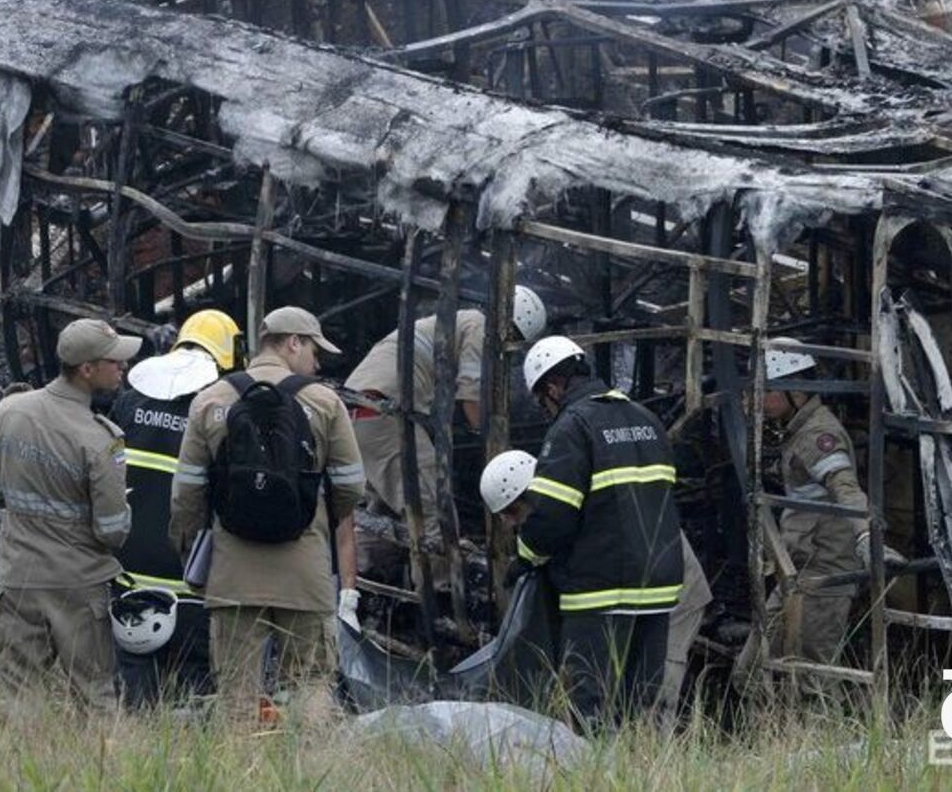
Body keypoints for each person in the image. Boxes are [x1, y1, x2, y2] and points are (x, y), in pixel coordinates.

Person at [170, 306, 365, 717]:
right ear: (293, 342)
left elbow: (186, 493)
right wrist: (318, 524)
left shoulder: (211, 399)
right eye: (314, 350)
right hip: (305, 568)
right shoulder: (324, 402)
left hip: (232, 570)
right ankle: (312, 772)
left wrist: (190, 549)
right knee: (311, 680)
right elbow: (351, 486)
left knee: (236, 687)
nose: (316, 362)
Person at [511, 336, 684, 731]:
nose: (545, 409)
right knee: (641, 709)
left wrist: (525, 552)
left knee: (591, 708)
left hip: (601, 591)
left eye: (543, 400)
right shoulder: (646, 420)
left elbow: (552, 515)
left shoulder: (572, 427)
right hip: (658, 589)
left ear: (553, 386)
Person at [0, 318, 140, 710]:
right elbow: (112, 531)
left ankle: (17, 769)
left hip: (18, 576)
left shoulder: (8, 412)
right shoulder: (100, 439)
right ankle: (103, 770)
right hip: (77, 585)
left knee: (18, 694)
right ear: (87, 370)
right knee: (95, 695)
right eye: (114, 362)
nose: (122, 368)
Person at [481, 448, 710, 721]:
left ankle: (651, 754)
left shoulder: (576, 510)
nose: (508, 522)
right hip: (630, 589)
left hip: (674, 591)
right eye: (503, 515)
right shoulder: (558, 512)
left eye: (512, 511)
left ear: (533, 494)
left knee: (656, 689)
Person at [732, 338, 904, 702]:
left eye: (768, 390)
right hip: (796, 571)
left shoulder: (817, 436)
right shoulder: (796, 429)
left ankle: (829, 746)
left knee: (815, 680)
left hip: (824, 574)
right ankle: (780, 742)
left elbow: (846, 489)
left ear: (795, 389)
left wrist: (864, 538)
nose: (759, 399)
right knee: (750, 672)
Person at [345, 285, 546, 586]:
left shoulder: (457, 320)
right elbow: (472, 402)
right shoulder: (480, 329)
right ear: (513, 326)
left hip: (362, 412)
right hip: (387, 415)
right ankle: (439, 597)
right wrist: (497, 451)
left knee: (389, 509)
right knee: (432, 512)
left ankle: (362, 583)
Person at [108, 308, 242, 706]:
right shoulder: (215, 410)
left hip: (128, 576)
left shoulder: (130, 402)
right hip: (189, 582)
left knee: (134, 688)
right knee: (194, 690)